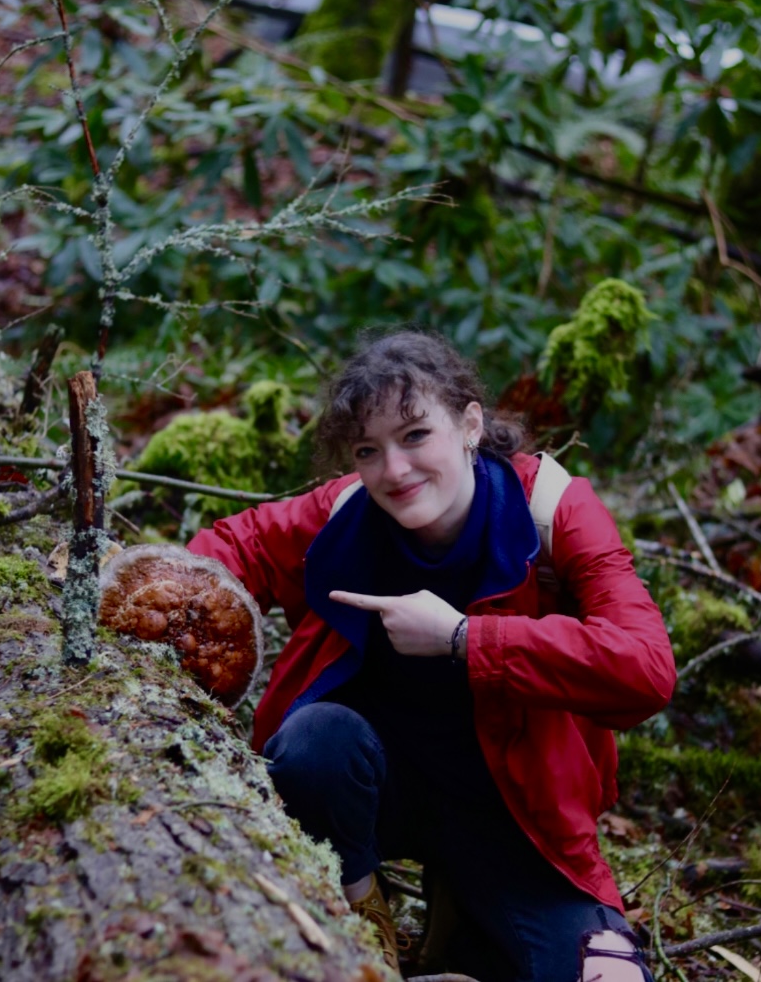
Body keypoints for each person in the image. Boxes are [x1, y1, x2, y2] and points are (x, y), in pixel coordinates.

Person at [187, 330, 676, 982]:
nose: (394, 470)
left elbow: (646, 669)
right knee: (314, 741)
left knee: (606, 976)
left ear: (470, 423)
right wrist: (135, 585)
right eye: (369, 450)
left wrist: (464, 639)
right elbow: (228, 551)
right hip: (377, 793)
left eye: (416, 436)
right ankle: (362, 921)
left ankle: (466, 925)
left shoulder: (550, 509)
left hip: (517, 819)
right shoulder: (344, 514)